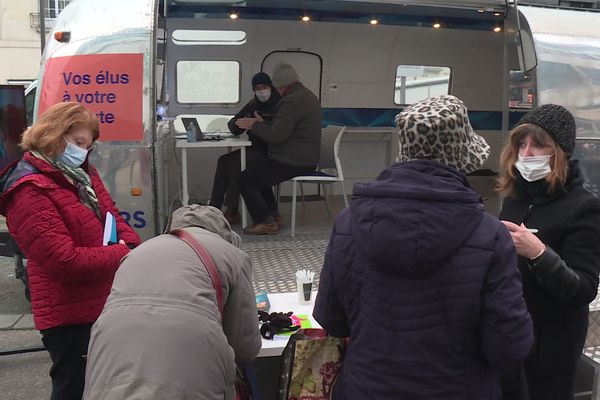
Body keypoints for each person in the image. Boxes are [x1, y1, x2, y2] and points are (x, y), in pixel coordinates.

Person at [313, 95, 534, 399]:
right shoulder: (489, 235)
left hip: (365, 388)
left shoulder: (348, 223)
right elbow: (509, 347)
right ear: (461, 155)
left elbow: (331, 319)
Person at [0, 101, 141, 400]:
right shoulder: (28, 189)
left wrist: (129, 243)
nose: (82, 150)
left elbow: (111, 215)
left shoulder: (79, 174)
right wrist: (123, 253)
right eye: (77, 142)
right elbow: (63, 261)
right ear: (54, 133)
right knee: (74, 389)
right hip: (69, 315)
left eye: (86, 145)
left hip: (99, 303)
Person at [83, 204, 261, 400]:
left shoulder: (137, 252)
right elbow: (245, 347)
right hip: (189, 372)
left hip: (108, 353)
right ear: (224, 233)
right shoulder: (232, 255)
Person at [497, 104, 600, 400]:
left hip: (553, 341)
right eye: (521, 144)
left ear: (560, 153)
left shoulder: (584, 207)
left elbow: (583, 289)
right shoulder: (514, 199)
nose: (526, 153)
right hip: (512, 328)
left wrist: (540, 254)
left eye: (538, 145)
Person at [235, 62, 322, 235]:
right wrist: (261, 123)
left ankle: (267, 223)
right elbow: (284, 128)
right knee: (258, 175)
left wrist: (253, 125)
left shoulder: (290, 102)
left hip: (293, 161)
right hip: (306, 158)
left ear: (281, 86)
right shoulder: (308, 96)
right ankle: (273, 215)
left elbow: (277, 136)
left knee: (244, 180)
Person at [209, 72, 281, 224]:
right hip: (255, 148)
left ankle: (232, 209)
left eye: (264, 87)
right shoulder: (253, 104)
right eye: (258, 88)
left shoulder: (280, 105)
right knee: (223, 160)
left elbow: (279, 131)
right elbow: (233, 126)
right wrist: (241, 122)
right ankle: (214, 209)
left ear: (271, 87)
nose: (262, 91)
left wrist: (260, 123)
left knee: (236, 163)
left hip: (272, 150)